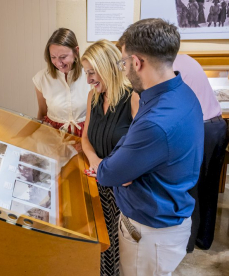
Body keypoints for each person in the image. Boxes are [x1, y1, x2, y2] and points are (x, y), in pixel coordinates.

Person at [96, 18, 204, 276]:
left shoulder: (157, 121)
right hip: (166, 218)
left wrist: (123, 167)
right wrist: (126, 164)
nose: (123, 69)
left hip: (149, 231)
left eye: (123, 62)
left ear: (136, 62)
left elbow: (108, 173)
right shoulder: (179, 92)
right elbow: (129, 145)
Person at [81, 39, 139, 276]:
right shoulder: (93, 97)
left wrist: (111, 169)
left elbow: (138, 147)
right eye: (86, 73)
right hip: (99, 183)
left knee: (123, 250)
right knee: (103, 248)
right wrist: (94, 159)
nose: (89, 79)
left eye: (92, 72)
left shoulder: (133, 97)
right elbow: (85, 138)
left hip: (123, 188)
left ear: (108, 67)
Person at [173, 54, 228, 252]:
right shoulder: (185, 58)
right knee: (210, 187)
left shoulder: (170, 66)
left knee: (192, 187)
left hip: (201, 128)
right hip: (218, 125)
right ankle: (204, 239)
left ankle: (188, 242)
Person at [33, 28, 91, 137]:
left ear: (76, 51)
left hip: (85, 134)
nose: (59, 63)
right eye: (53, 57)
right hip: (53, 135)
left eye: (63, 57)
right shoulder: (41, 78)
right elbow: (42, 112)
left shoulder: (89, 75)